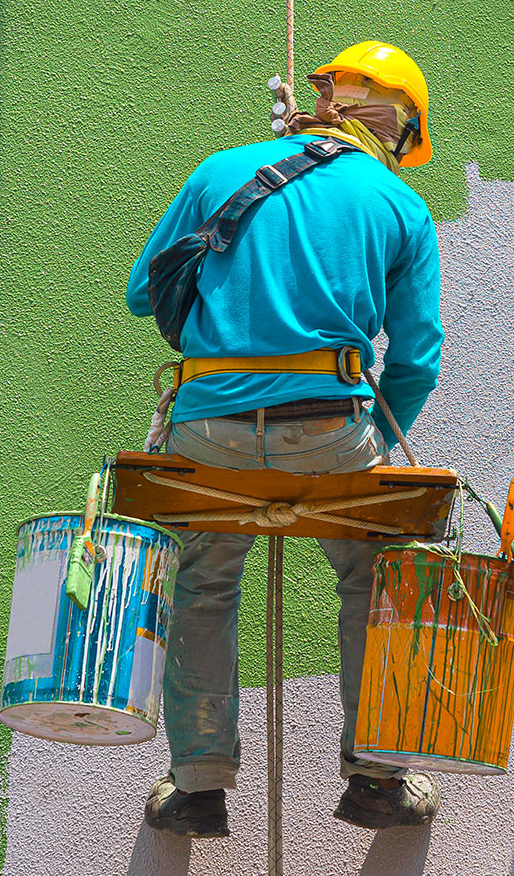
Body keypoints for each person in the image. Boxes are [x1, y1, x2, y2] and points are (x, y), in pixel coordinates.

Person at [125, 40, 445, 836]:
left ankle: (198, 783)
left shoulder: (222, 169)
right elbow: (416, 357)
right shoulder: (399, 205)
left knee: (202, 581)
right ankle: (375, 779)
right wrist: (369, 430)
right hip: (331, 429)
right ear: (397, 124)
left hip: (209, 432)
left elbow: (142, 294)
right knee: (376, 580)